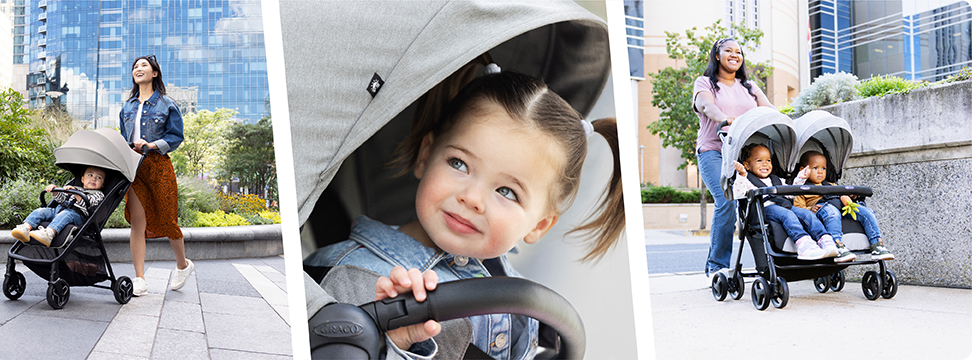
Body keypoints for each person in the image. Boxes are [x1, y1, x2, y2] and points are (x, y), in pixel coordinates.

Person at [304, 68, 625, 360]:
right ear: (425, 156)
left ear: (539, 225)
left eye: (507, 192)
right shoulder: (358, 277)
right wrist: (396, 345)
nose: (472, 199)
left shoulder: (521, 298)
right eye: (459, 164)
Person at [692, 38, 776, 278]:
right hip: (714, 152)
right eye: (728, 50)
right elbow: (706, 106)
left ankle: (765, 263)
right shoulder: (706, 82)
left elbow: (769, 109)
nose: (734, 55)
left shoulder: (749, 86)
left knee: (755, 205)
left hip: (744, 157)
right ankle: (717, 266)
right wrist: (725, 119)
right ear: (717, 55)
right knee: (726, 201)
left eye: (738, 52)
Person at [119, 55, 193, 297]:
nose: (138, 69)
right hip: (135, 168)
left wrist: (151, 145)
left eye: (143, 66)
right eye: (135, 67)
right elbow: (123, 137)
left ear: (154, 74)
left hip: (158, 165)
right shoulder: (127, 107)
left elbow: (175, 137)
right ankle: (139, 278)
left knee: (168, 217)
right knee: (137, 223)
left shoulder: (167, 104)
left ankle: (183, 265)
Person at [731, 144, 835, 260]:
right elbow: (738, 193)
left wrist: (801, 178)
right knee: (787, 214)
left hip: (784, 206)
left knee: (807, 214)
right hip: (764, 210)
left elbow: (790, 193)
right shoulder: (746, 180)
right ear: (747, 165)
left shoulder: (776, 180)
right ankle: (803, 244)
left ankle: (825, 240)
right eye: (759, 160)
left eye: (768, 160)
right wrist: (741, 174)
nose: (765, 164)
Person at [793, 151, 894, 261]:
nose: (820, 172)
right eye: (815, 168)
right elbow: (798, 208)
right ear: (803, 169)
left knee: (866, 211)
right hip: (822, 210)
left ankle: (877, 244)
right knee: (832, 211)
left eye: (823, 168)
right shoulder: (801, 189)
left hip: (841, 207)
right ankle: (837, 245)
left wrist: (852, 197)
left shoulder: (831, 185)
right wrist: (810, 209)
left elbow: (843, 195)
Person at [11, 166, 107, 247]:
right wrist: (55, 191)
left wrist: (76, 194)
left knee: (66, 214)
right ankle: (25, 228)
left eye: (99, 177)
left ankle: (48, 234)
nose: (93, 178)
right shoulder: (75, 188)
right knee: (41, 211)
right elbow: (61, 200)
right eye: (90, 175)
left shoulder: (99, 194)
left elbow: (88, 203)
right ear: (82, 179)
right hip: (58, 210)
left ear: (103, 185)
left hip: (77, 216)